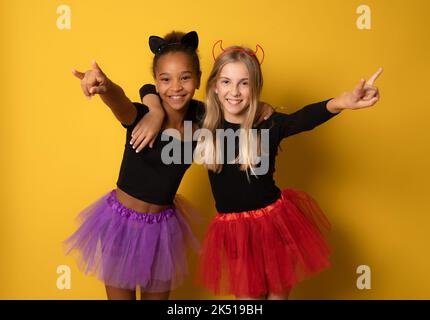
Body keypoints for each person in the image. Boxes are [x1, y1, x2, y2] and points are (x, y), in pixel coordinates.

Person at [135, 44, 382, 300]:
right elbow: (152, 89)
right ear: (214, 86)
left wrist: (341, 102)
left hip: (274, 225)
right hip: (234, 232)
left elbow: (303, 119)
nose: (234, 91)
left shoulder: (269, 125)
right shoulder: (202, 118)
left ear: (255, 87)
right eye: (227, 82)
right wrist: (153, 109)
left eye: (244, 83)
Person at [64, 31, 204, 300]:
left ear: (198, 78)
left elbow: (236, 110)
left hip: (163, 230)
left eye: (185, 77)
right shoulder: (140, 116)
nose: (175, 87)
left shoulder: (203, 120)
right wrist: (106, 87)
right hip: (121, 226)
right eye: (165, 79)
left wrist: (263, 109)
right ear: (157, 81)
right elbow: (120, 101)